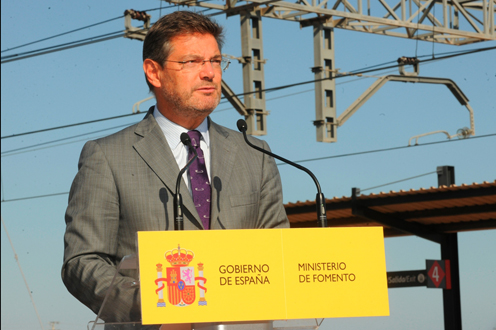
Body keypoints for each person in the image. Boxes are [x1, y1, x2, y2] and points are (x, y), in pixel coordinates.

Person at [62, 11, 289, 329]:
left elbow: (279, 254)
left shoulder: (256, 155)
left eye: (215, 61)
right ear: (153, 72)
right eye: (192, 62)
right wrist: (152, 306)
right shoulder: (107, 156)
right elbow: (81, 262)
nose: (209, 73)